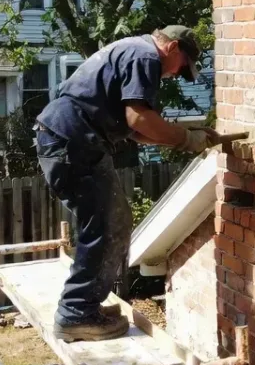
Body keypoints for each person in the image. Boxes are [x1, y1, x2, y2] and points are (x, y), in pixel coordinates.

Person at [34, 26, 216, 342]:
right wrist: (188, 140)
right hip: (73, 140)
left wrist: (185, 137)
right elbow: (139, 120)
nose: (175, 75)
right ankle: (76, 313)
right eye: (181, 66)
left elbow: (135, 130)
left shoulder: (131, 49)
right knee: (108, 223)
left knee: (110, 221)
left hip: (70, 137)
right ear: (172, 47)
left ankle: (84, 306)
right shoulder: (146, 56)